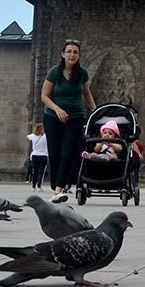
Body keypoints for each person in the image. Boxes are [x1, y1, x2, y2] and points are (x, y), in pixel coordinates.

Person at [41, 39, 96, 203]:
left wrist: (96, 111)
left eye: (75, 52)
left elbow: (87, 93)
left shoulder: (82, 73)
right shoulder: (54, 72)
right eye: (69, 51)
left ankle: (59, 189)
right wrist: (57, 109)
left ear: (79, 55)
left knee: (68, 152)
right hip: (53, 117)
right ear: (63, 54)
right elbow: (44, 96)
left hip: (75, 117)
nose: (72, 55)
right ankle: (56, 188)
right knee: (55, 152)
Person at [27, 124, 48, 190]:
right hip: (44, 155)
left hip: (35, 155)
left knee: (35, 171)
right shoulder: (45, 136)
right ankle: (39, 186)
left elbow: (27, 137)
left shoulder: (32, 136)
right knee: (41, 171)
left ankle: (33, 186)